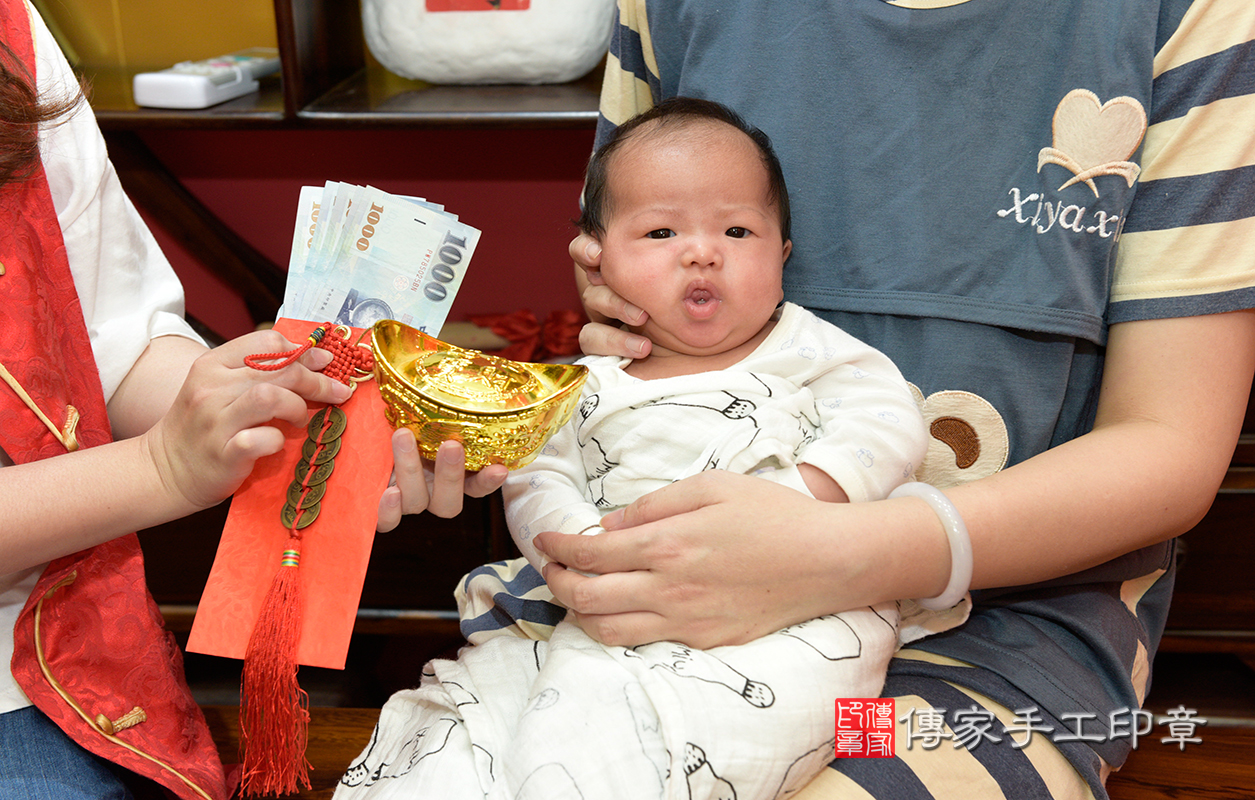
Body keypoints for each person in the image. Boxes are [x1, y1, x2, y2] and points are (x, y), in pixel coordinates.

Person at [535, 2, 1255, 798]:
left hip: (995, 638)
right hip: (639, 596)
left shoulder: (1186, 16)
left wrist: (824, 551)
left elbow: (1170, 441)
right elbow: (619, 264)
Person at [334, 96, 962, 800]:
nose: (701, 250)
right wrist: (590, 552)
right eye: (661, 231)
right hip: (615, 598)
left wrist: (805, 500)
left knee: (605, 721)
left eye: (737, 229)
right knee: (453, 741)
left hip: (794, 600)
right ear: (597, 262)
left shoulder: (810, 350)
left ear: (782, 252)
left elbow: (883, 422)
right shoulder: (582, 382)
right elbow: (539, 474)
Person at [0, 3, 501, 798]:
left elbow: (114, 342)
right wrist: (164, 469)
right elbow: (160, 454)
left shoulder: (14, 36)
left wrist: (279, 414)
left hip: (60, 649)